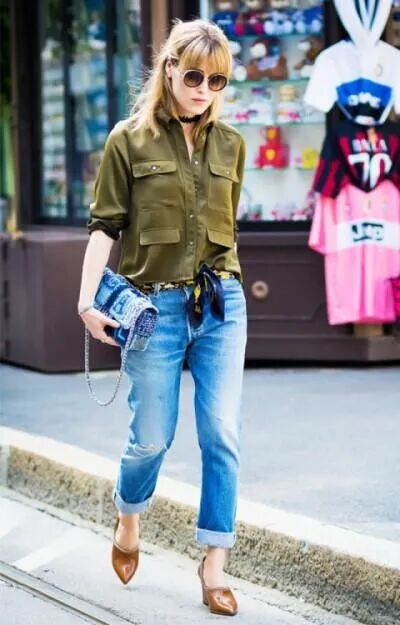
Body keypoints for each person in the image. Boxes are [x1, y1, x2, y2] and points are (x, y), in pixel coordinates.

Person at [77, 17, 247, 616]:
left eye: (217, 80)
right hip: (155, 310)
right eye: (195, 76)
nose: (204, 89)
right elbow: (105, 227)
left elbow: (226, 226)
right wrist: (86, 300)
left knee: (222, 432)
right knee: (151, 436)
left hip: (222, 304)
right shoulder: (128, 140)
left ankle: (215, 561)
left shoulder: (231, 144)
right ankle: (129, 517)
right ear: (170, 68)